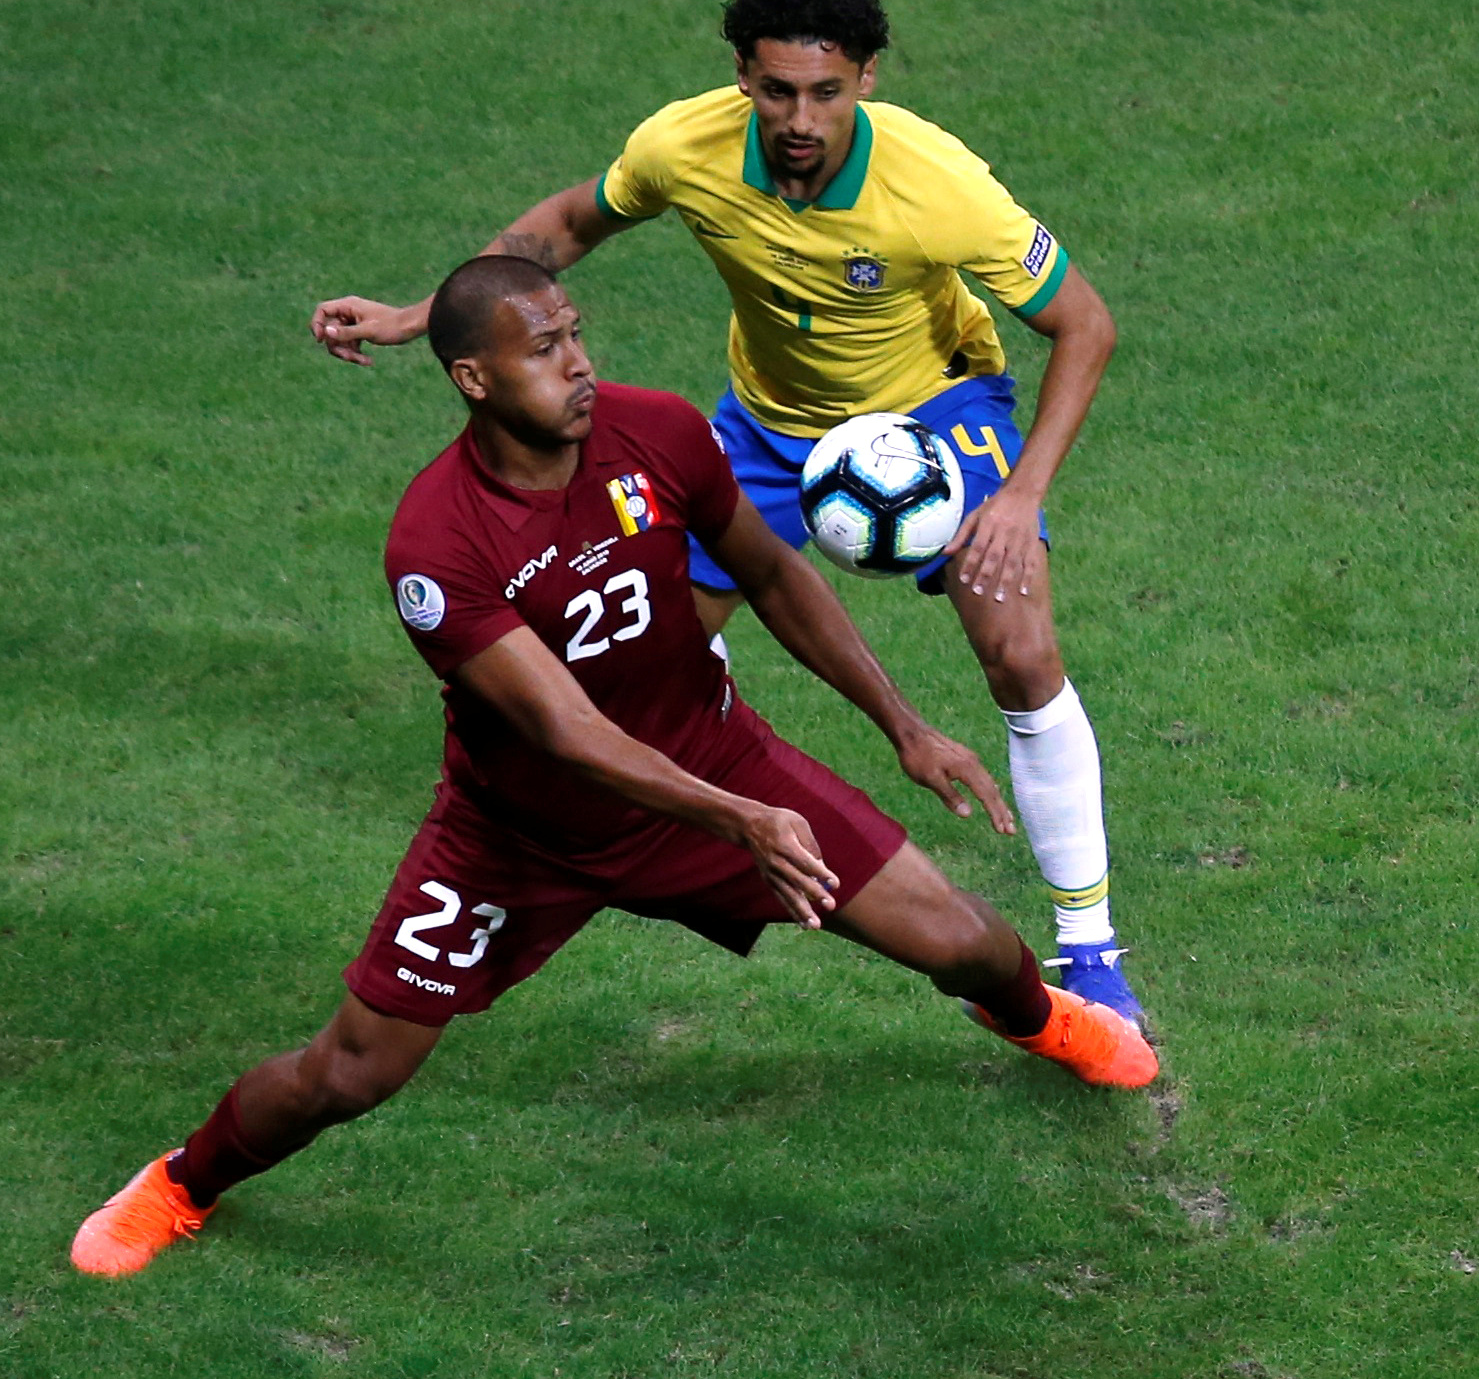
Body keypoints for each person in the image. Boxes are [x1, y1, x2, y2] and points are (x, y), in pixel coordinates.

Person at [70, 258, 1156, 1278]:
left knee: (966, 939)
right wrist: (742, 821)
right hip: (520, 838)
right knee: (350, 1073)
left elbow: (772, 574)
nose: (580, 362)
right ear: (473, 378)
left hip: (719, 762)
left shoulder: (659, 432)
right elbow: (567, 733)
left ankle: (1037, 1018)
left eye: (576, 335)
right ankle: (182, 1182)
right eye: (545, 349)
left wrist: (903, 725)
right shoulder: (436, 546)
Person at [310, 0, 1144, 1027]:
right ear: (743, 78)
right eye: (778, 90)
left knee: (1021, 649)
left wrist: (1021, 498)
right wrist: (421, 313)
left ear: (868, 80)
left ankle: (1090, 947)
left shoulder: (937, 186)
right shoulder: (684, 147)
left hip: (928, 419)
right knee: (629, 659)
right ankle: (618, 850)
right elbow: (556, 234)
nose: (802, 118)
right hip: (761, 427)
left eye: (828, 92)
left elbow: (1087, 322)